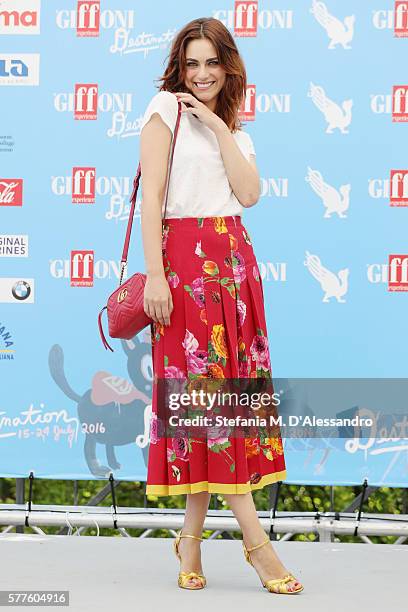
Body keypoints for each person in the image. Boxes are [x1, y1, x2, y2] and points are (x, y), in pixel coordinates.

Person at [139, 16, 304, 595]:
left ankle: (190, 539)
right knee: (209, 408)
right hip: (184, 272)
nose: (202, 73)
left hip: (235, 271)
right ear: (179, 69)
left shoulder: (235, 128)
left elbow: (251, 194)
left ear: (227, 67)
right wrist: (156, 276)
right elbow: (152, 199)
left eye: (212, 62)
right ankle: (258, 545)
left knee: (220, 406)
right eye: (192, 63)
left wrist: (216, 123)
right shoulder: (163, 112)